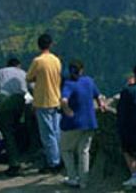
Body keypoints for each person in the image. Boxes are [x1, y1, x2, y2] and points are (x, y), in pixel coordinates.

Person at [60, 59, 104, 188]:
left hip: (73, 123)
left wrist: (67, 111)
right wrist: (101, 104)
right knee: (84, 151)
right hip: (90, 122)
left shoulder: (69, 84)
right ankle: (84, 181)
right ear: (82, 70)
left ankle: (73, 178)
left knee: (66, 149)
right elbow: (98, 95)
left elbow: (63, 100)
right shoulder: (89, 81)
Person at [26, 34, 63, 173]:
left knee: (47, 134)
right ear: (51, 44)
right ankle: (60, 158)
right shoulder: (56, 60)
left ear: (39, 45)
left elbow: (29, 77)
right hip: (56, 98)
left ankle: (53, 163)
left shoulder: (38, 61)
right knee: (56, 131)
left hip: (43, 100)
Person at [0, 58, 27, 177]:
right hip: (20, 101)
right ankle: (20, 156)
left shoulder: (1, 71)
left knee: (7, 132)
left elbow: (0, 86)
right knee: (18, 129)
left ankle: (14, 164)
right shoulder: (23, 72)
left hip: (5, 102)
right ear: (18, 65)